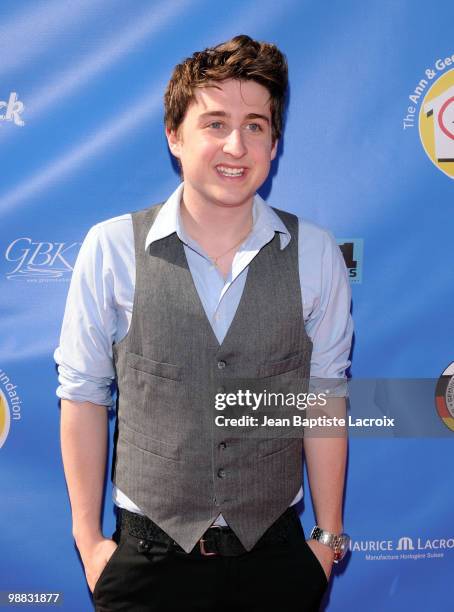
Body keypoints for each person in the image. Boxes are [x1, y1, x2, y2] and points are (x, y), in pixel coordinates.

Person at [56, 34, 353, 612]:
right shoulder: (112, 247)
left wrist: (327, 537)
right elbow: (84, 395)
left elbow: (324, 399)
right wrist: (89, 542)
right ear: (175, 135)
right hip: (145, 562)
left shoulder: (316, 253)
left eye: (255, 126)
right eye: (215, 123)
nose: (236, 145)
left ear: (274, 142)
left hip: (278, 561)